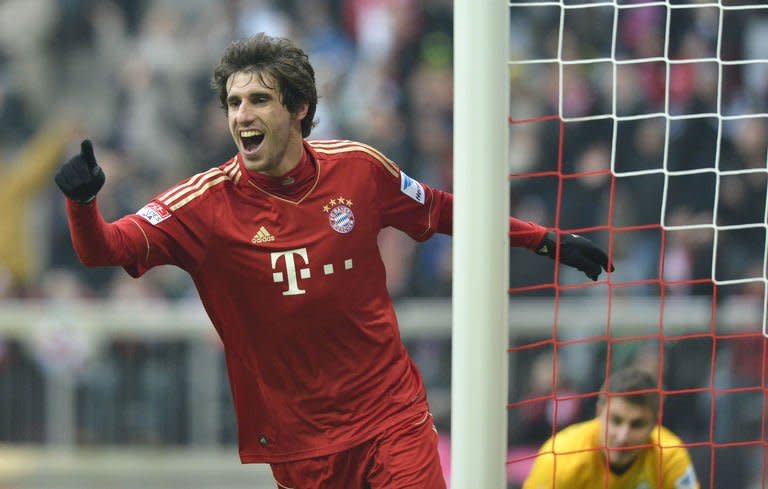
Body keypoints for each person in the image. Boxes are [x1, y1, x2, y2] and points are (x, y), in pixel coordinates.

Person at [54, 33, 612, 489]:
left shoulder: (359, 170)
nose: (242, 114)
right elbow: (104, 249)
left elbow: (440, 210)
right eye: (233, 102)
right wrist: (82, 204)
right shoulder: (203, 204)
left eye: (258, 100)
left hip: (391, 412)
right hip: (303, 443)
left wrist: (543, 239)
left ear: (298, 108)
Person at [523, 367, 699, 489]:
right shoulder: (559, 456)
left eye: (637, 424)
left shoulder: (669, 454)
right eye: (616, 420)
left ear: (655, 422)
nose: (623, 436)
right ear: (599, 411)